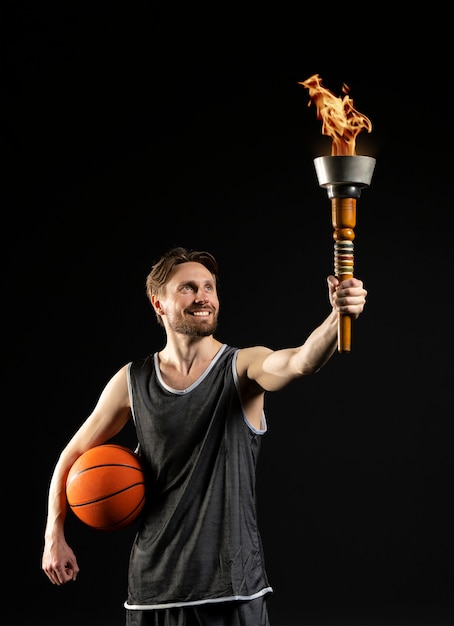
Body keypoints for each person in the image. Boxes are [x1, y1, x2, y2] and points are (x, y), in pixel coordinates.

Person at [42, 245, 368, 626]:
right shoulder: (132, 381)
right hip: (153, 591)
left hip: (232, 589)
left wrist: (337, 316)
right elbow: (71, 456)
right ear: (158, 304)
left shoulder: (243, 367)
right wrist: (54, 534)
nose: (203, 297)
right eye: (188, 288)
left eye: (209, 287)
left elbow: (301, 361)